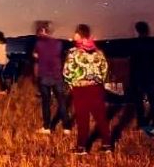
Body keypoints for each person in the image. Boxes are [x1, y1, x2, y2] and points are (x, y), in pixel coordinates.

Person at [63, 24, 112, 155]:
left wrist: (71, 83)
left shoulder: (73, 52)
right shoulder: (98, 52)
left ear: (78, 35)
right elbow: (105, 70)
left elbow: (67, 71)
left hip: (81, 89)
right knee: (101, 117)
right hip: (96, 88)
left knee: (82, 118)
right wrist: (98, 81)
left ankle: (81, 147)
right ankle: (107, 145)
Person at [33, 23, 69, 134]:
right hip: (57, 76)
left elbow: (35, 55)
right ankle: (66, 127)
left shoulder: (39, 44)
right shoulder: (58, 43)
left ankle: (47, 127)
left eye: (39, 31)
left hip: (44, 76)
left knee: (46, 102)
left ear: (43, 31)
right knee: (61, 102)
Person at [128, 21, 154, 128]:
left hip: (139, 77)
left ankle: (141, 122)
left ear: (137, 31)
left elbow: (132, 63)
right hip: (151, 76)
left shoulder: (134, 44)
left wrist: (132, 79)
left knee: (139, 102)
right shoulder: (153, 43)